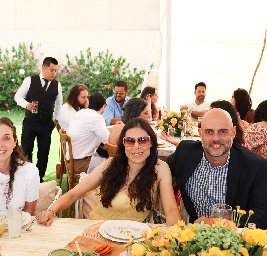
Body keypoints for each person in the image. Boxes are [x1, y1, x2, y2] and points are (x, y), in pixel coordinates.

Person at [37, 118, 181, 226]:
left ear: (151, 143)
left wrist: (174, 238)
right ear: (123, 145)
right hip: (99, 228)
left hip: (134, 236)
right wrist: (51, 211)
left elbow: (171, 210)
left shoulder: (160, 169)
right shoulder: (111, 165)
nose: (136, 146)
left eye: (143, 140)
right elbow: (74, 193)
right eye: (130, 141)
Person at [166, 108, 267, 229]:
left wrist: (217, 222)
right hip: (194, 237)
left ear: (233, 132)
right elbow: (158, 170)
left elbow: (263, 215)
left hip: (234, 239)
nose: (215, 139)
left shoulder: (255, 165)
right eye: (209, 132)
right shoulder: (185, 153)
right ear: (200, 133)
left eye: (222, 132)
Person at [14, 57, 62, 182]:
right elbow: (17, 96)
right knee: (26, 150)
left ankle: (39, 179)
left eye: (55, 70)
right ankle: (25, 177)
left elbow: (59, 105)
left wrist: (56, 120)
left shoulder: (57, 85)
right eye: (51, 70)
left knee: (44, 153)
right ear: (43, 68)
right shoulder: (29, 80)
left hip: (46, 125)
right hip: (30, 122)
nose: (53, 73)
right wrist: (27, 105)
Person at [68, 93, 110, 174]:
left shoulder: (80, 113)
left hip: (71, 161)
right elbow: (108, 140)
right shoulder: (96, 117)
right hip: (80, 163)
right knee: (113, 164)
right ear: (103, 106)